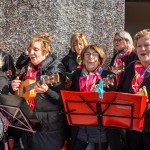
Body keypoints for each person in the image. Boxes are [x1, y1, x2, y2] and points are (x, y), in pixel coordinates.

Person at [10, 32, 66, 150]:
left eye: (35, 50)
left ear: (45, 52)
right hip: (28, 125)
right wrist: (13, 87)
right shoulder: (28, 67)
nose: (31, 53)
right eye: (30, 50)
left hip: (48, 129)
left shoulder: (56, 68)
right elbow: (20, 89)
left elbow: (61, 100)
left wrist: (47, 91)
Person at [70, 44, 116, 150]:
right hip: (80, 128)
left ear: (100, 59)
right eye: (87, 54)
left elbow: (112, 103)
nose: (91, 57)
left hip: (100, 131)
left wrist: (100, 94)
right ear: (83, 59)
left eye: (95, 54)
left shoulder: (108, 76)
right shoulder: (77, 75)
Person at [117, 28, 150, 150]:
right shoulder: (132, 66)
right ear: (135, 49)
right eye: (139, 46)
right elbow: (121, 89)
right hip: (132, 126)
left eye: (147, 45)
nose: (142, 49)